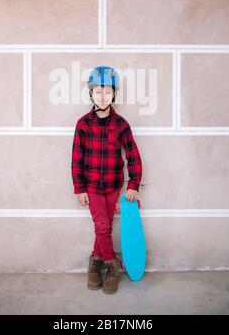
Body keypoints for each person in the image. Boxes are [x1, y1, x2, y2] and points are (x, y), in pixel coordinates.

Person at [71, 65, 142, 294]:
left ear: (114, 95)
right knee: (102, 226)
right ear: (91, 93)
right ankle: (112, 266)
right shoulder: (83, 124)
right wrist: (79, 188)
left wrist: (133, 183)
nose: (103, 96)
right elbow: (76, 159)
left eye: (108, 92)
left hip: (113, 185)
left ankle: (95, 262)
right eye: (98, 91)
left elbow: (133, 154)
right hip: (91, 186)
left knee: (105, 226)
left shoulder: (121, 124)